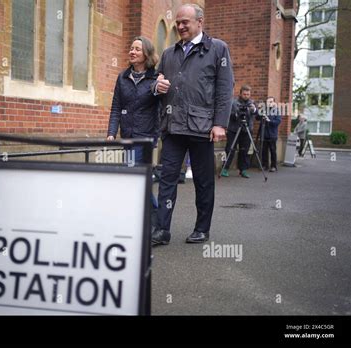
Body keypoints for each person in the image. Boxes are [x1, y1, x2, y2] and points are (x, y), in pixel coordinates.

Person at [151, 4, 234, 245]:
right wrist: (157, 86)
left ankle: (201, 228)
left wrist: (220, 123)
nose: (180, 26)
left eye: (185, 21)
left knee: (203, 180)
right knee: (167, 179)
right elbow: (156, 82)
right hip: (173, 127)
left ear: (200, 22)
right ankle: (162, 229)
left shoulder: (217, 49)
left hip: (202, 127)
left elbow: (224, 89)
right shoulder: (168, 53)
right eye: (178, 22)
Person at [106, 36, 159, 208]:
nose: (132, 52)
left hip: (145, 138)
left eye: (137, 49)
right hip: (127, 136)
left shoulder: (155, 78)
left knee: (132, 174)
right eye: (131, 48)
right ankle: (151, 218)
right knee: (137, 177)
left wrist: (156, 137)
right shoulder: (123, 77)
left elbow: (160, 110)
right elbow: (116, 107)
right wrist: (111, 133)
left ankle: (153, 216)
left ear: (147, 54)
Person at [220, 85, 258, 178]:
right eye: (244, 94)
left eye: (248, 94)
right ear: (240, 93)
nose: (246, 96)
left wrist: (255, 110)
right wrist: (236, 114)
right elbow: (229, 115)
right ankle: (225, 168)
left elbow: (257, 115)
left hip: (247, 129)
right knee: (230, 149)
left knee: (244, 151)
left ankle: (243, 170)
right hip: (234, 129)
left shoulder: (252, 103)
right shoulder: (233, 102)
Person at [258, 96, 281, 172]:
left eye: (271, 101)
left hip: (272, 134)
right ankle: (265, 165)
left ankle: (273, 166)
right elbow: (257, 118)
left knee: (273, 150)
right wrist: (259, 110)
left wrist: (269, 121)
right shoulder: (264, 110)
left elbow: (278, 122)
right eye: (268, 102)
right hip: (264, 133)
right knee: (264, 151)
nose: (269, 103)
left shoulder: (277, 111)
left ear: (274, 103)